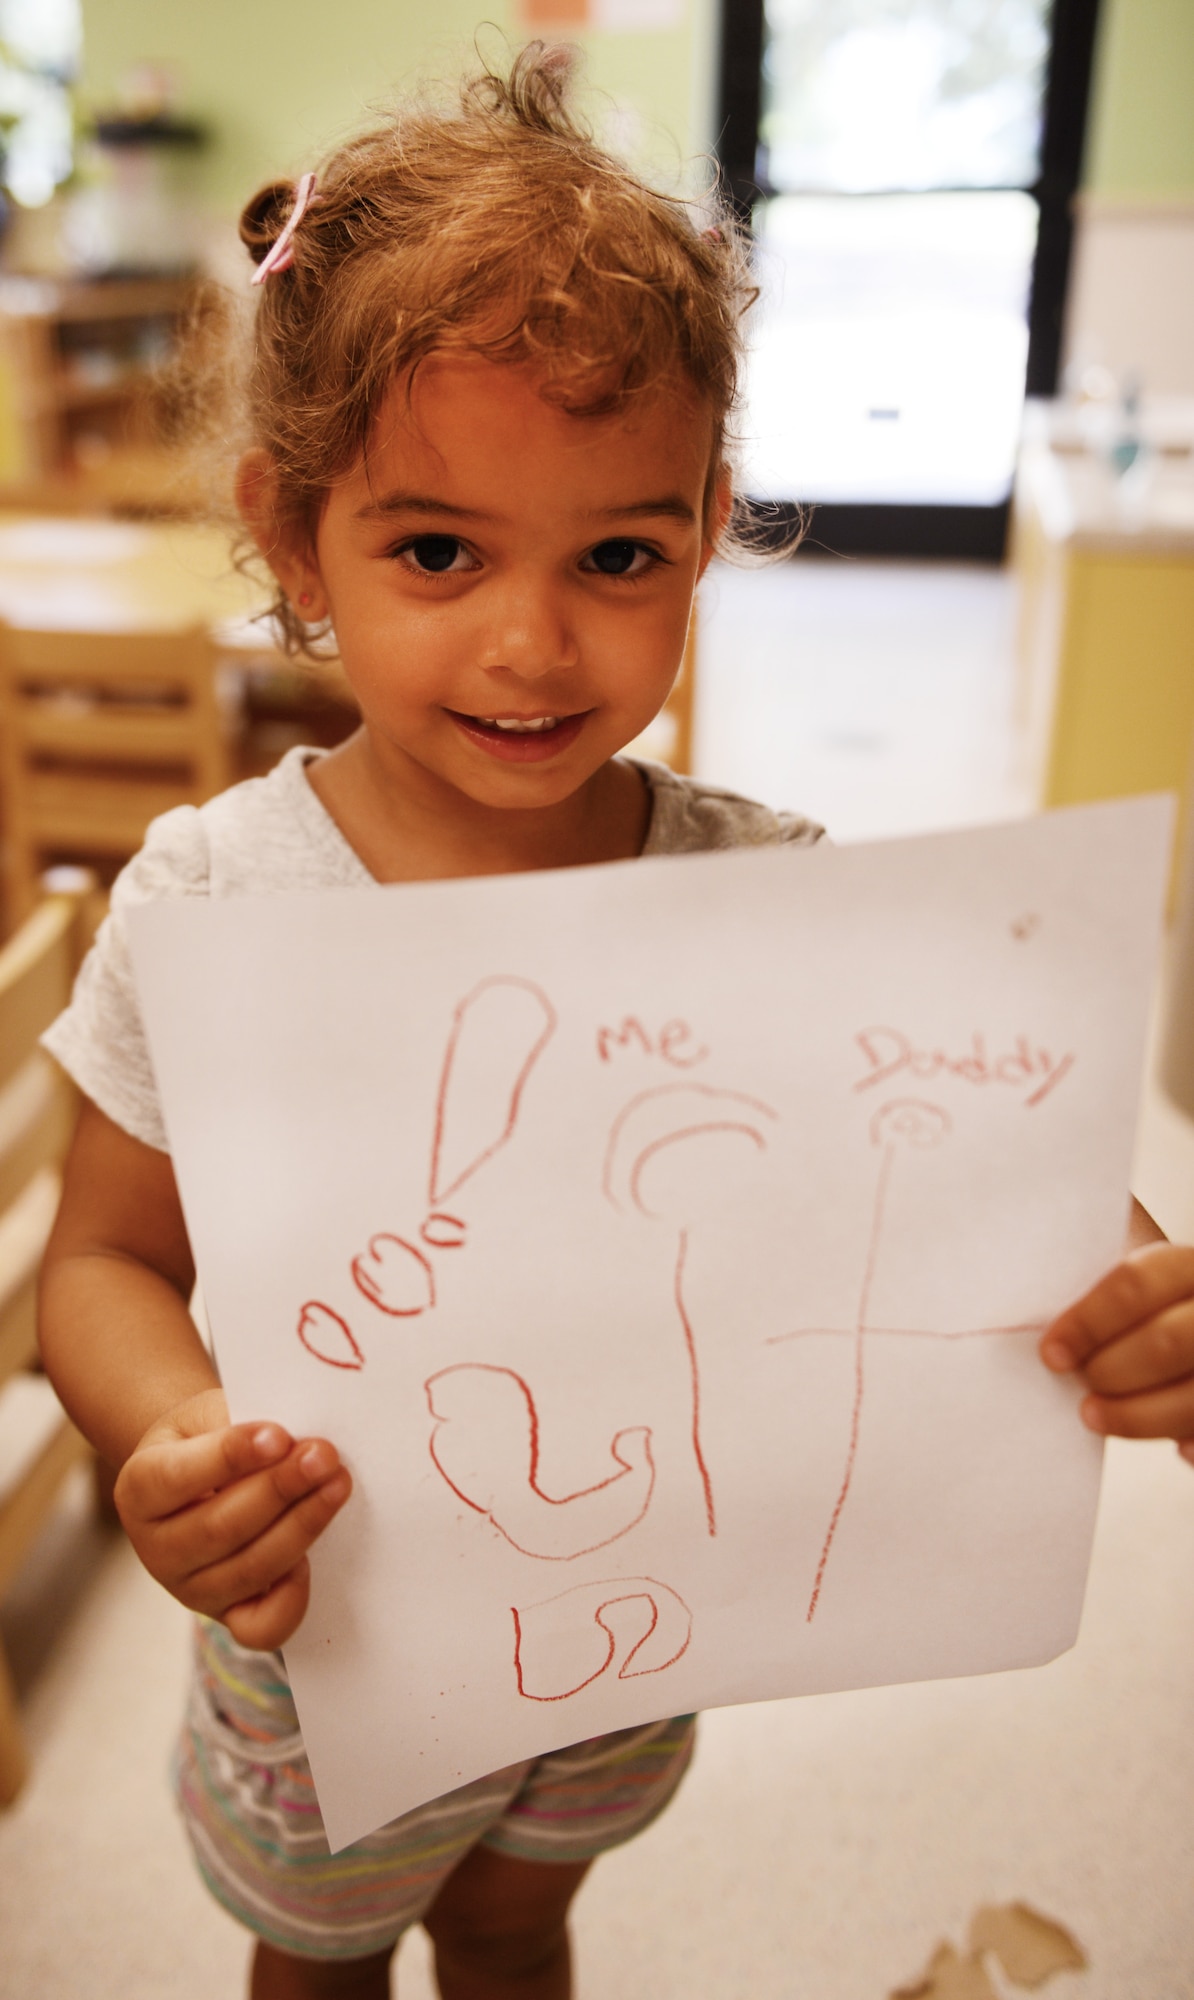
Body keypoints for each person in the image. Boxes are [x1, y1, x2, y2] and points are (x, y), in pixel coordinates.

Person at [36, 42, 1194, 2000]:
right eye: (434, 549)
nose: (531, 640)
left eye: (620, 555)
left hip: (637, 1622)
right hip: (324, 1632)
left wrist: (1125, 1288)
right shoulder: (215, 903)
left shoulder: (775, 893)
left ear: (707, 526)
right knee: (316, 1964)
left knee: (522, 1919)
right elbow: (104, 1264)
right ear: (293, 530)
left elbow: (982, 1200)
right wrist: (171, 1438)